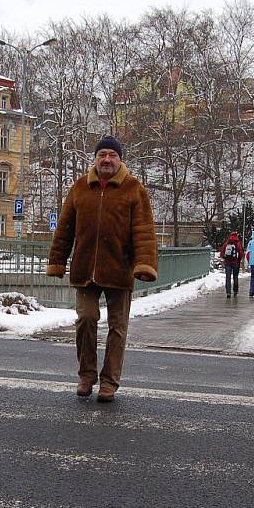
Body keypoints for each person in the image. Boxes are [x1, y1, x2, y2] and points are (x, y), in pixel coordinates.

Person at [46, 136, 158, 402]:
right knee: (86, 319)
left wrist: (144, 264)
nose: (107, 159)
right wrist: (57, 261)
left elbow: (144, 231)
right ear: (95, 159)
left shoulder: (134, 188)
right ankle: (87, 375)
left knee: (118, 327)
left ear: (120, 159)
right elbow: (64, 229)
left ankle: (109, 382)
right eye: (102, 155)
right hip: (85, 270)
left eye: (112, 155)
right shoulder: (80, 188)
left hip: (120, 270)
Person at [220, 231, 244, 298]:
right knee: (235, 277)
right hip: (235, 262)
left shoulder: (227, 243)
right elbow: (241, 253)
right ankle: (235, 291)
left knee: (228, 277)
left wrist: (225, 258)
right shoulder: (238, 243)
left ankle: (228, 292)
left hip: (227, 262)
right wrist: (238, 259)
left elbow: (222, 253)